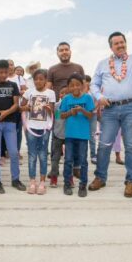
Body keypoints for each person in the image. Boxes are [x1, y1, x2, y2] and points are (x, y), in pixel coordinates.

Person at [89, 5, 132, 198]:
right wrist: (99, 97)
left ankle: (131, 181)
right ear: (111, 47)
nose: (120, 45)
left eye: (122, 42)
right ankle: (100, 177)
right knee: (104, 144)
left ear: (126, 44)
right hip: (110, 109)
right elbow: (94, 84)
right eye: (116, 43)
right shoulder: (102, 63)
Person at [47, 42, 85, 187]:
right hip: (58, 110)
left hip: (75, 109)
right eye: (61, 50)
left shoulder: (78, 67)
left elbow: (84, 87)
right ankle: (54, 172)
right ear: (57, 53)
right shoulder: (52, 69)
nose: (64, 52)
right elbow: (48, 88)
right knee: (55, 147)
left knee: (73, 147)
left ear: (70, 51)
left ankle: (73, 172)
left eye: (66, 49)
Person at [0, 59, 24, 193]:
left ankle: (15, 179)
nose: (3, 75)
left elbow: (16, 105)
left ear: (9, 71)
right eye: (0, 72)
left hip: (10, 123)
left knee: (13, 152)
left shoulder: (13, 85)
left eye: (5, 72)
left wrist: (5, 113)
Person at [59, 73, 95, 197]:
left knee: (83, 161)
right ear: (68, 87)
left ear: (82, 85)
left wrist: (82, 110)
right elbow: (61, 115)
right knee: (68, 160)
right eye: (72, 85)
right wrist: (70, 112)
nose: (75, 87)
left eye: (77, 85)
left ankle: (83, 185)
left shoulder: (88, 98)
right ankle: (67, 184)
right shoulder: (66, 99)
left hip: (83, 136)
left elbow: (91, 116)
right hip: (69, 135)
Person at [21, 69, 56, 194]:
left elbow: (52, 111)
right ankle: (32, 181)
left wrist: (48, 109)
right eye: (36, 79)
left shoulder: (51, 93)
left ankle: (42, 182)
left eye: (41, 79)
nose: (38, 81)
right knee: (32, 155)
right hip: (31, 128)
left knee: (43, 155)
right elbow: (21, 107)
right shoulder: (29, 92)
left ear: (46, 80)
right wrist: (27, 107)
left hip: (45, 128)